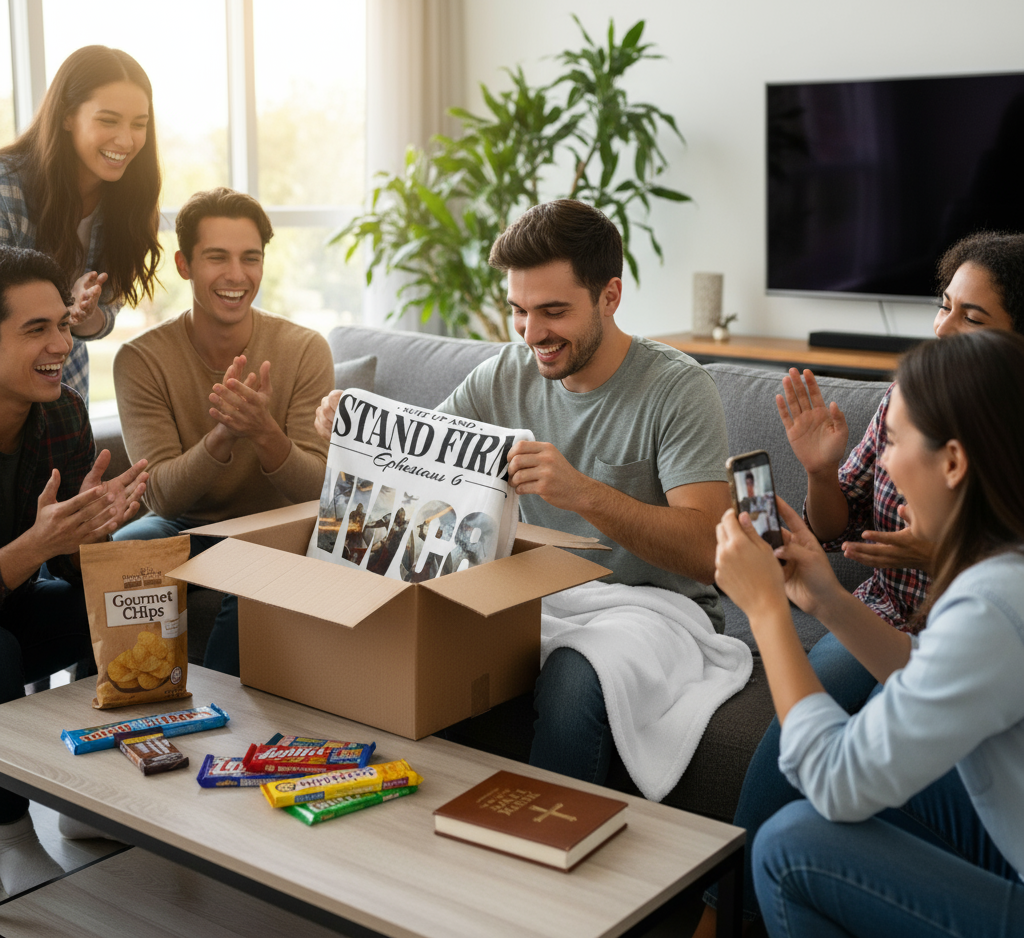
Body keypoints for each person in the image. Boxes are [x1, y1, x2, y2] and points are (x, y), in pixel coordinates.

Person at [316, 199, 740, 788]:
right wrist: (354, 426)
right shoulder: (504, 374)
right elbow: (420, 456)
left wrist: (585, 495)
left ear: (610, 297)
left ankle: (544, 859)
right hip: (538, 593)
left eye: (553, 311)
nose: (532, 333)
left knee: (574, 676)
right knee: (407, 632)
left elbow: (708, 553)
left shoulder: (678, 390)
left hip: (655, 609)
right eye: (519, 310)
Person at [696, 231, 1024, 934]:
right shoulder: (1000, 577)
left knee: (792, 843)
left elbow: (839, 781)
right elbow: (923, 669)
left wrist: (767, 615)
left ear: (956, 461)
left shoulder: (992, 602)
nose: (889, 465)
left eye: (900, 443)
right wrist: (824, 597)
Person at [112, 188, 333, 674]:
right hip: (187, 522)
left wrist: (262, 431)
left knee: (253, 580)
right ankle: (127, 702)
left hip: (276, 530)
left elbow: (318, 491)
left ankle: (223, 730)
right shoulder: (141, 360)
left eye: (250, 258)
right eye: (217, 258)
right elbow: (163, 497)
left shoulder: (304, 349)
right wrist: (221, 437)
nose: (237, 275)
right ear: (184, 264)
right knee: (127, 548)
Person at [0, 247, 147, 896]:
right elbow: (38, 552)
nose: (62, 343)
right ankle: (8, 833)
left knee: (124, 604)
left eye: (63, 324)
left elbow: (68, 563)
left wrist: (99, 536)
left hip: (17, 602)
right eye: (37, 329)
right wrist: (35, 546)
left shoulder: (60, 412)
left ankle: (91, 800)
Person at [0, 45, 161, 403]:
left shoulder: (129, 203)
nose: (126, 139)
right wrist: (54, 304)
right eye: (108, 120)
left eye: (139, 124)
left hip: (65, 387)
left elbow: (107, 312)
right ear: (66, 116)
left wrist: (80, 313)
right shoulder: (6, 187)